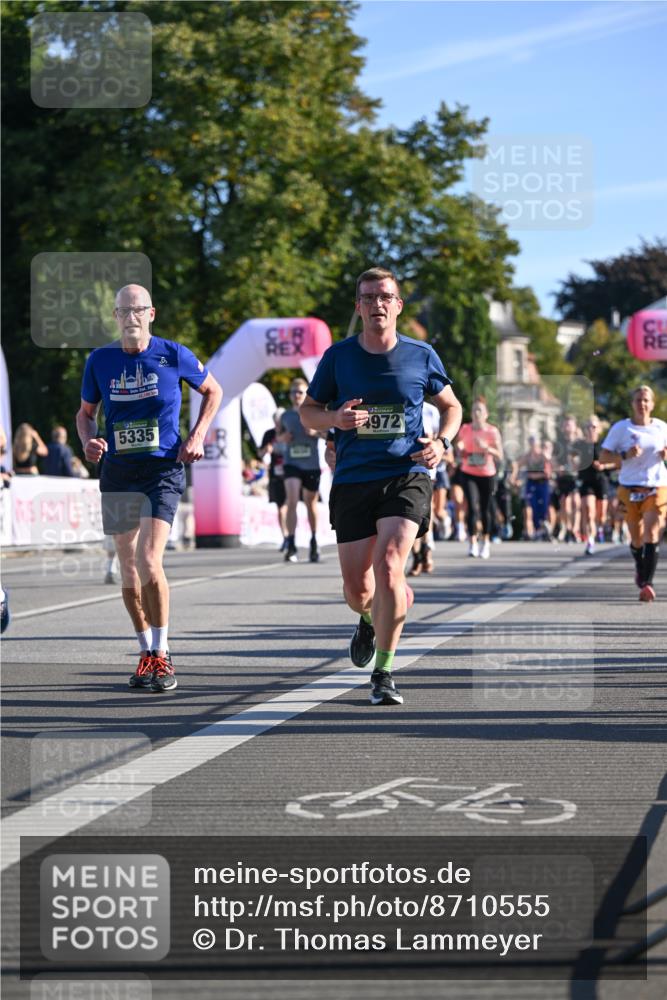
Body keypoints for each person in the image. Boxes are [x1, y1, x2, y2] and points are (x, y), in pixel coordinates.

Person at [300, 267, 462, 706]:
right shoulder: (339, 357)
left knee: (390, 562)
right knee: (359, 590)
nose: (377, 304)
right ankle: (369, 617)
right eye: (368, 298)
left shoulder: (421, 355)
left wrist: (442, 442)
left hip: (405, 474)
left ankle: (384, 671)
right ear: (359, 306)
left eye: (385, 297)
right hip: (353, 479)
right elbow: (308, 412)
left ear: (398, 305)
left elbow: (452, 406)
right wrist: (334, 419)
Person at [76, 284, 222, 691]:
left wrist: (197, 436)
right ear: (116, 316)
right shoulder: (100, 361)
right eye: (124, 311)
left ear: (151, 314)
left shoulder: (173, 354)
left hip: (162, 470)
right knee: (127, 569)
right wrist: (87, 440)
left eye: (138, 309)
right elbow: (85, 414)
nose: (131, 317)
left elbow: (214, 390)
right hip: (119, 473)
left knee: (148, 559)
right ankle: (146, 651)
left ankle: (163, 652)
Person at [600, 385, 667, 602]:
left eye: (646, 400)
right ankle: (640, 565)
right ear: (632, 404)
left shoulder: (662, 428)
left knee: (652, 531)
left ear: (652, 404)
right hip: (629, 488)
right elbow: (603, 458)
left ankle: (647, 584)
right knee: (636, 537)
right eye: (638, 400)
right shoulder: (621, 429)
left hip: (656, 486)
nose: (642, 404)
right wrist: (624, 455)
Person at [279, 377, 322, 563]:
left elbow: (327, 433)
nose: (296, 395)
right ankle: (291, 541)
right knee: (292, 499)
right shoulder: (285, 416)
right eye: (293, 392)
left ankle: (313, 540)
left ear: (306, 394)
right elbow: (277, 436)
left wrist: (316, 432)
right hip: (291, 463)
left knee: (310, 503)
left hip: (311, 464)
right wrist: (283, 437)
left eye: (300, 392)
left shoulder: (314, 413)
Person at [456, 397, 503, 559]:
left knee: (485, 509)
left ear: (486, 414)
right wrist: (460, 448)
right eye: (474, 410)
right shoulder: (466, 429)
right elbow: (460, 446)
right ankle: (473, 542)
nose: (476, 413)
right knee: (472, 507)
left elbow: (500, 455)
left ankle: (486, 542)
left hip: (487, 474)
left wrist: (487, 448)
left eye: (480, 410)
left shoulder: (492, 431)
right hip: (468, 472)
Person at [577, 415, 615, 555]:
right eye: (588, 427)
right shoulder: (580, 445)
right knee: (588, 510)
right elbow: (571, 459)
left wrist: (604, 466)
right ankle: (590, 541)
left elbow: (615, 462)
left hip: (601, 481)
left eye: (593, 427)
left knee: (601, 516)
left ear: (598, 429)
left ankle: (600, 528)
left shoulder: (605, 445)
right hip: (587, 481)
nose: (590, 430)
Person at [259, 408, 288, 550]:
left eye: (280, 421)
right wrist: (267, 449)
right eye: (276, 421)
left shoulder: (289, 431)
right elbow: (260, 452)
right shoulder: (269, 434)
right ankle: (286, 537)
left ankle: (290, 536)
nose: (278, 424)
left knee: (289, 506)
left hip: (290, 472)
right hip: (276, 474)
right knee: (281, 508)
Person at [518, 436, 552, 540]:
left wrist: (535, 475)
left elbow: (548, 472)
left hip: (542, 483)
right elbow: (518, 465)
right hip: (531, 484)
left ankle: (544, 528)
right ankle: (537, 529)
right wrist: (516, 477)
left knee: (544, 506)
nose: (533, 445)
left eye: (535, 442)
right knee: (532, 506)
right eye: (531, 442)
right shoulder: (527, 456)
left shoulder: (543, 455)